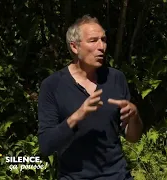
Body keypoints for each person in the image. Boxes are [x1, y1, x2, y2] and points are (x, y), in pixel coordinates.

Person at [37, 14, 143, 180]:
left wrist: (135, 116)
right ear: (74, 47)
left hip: (118, 175)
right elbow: (46, 146)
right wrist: (77, 116)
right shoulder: (52, 86)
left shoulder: (116, 78)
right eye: (93, 41)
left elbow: (133, 137)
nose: (101, 46)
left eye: (104, 39)